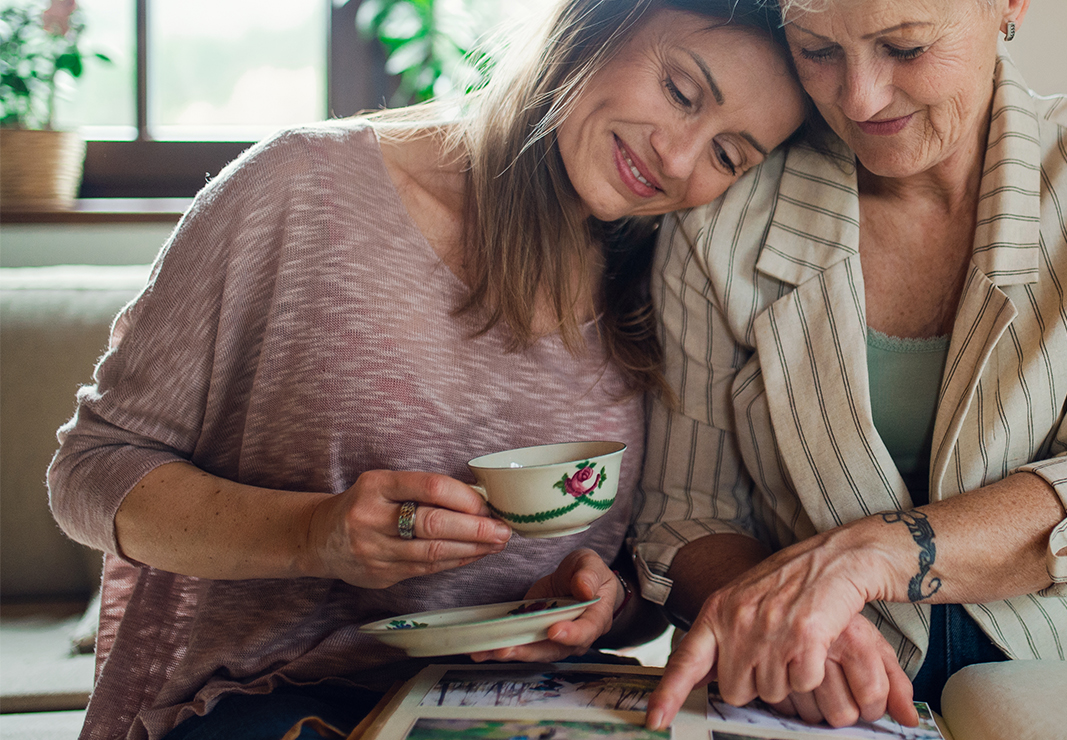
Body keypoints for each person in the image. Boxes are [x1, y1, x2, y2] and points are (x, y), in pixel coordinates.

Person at [46, 1, 805, 738]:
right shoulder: (301, 187)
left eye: (727, 154)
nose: (677, 157)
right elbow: (88, 475)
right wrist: (315, 534)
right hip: (267, 698)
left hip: (522, 705)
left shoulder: (660, 281)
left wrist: (599, 606)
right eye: (679, 91)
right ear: (594, 21)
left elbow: (640, 574)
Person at [634, 0, 1067, 731]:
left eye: (905, 46)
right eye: (817, 52)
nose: (860, 98)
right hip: (815, 694)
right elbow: (685, 514)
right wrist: (785, 625)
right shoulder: (720, 211)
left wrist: (874, 555)